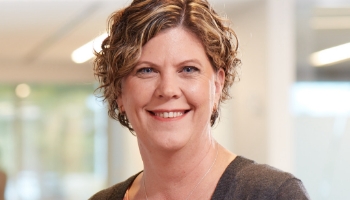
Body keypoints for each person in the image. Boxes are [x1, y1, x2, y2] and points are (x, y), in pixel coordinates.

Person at [90, 0, 310, 199]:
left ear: (217, 85)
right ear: (119, 92)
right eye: (147, 70)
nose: (168, 90)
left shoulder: (273, 194)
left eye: (188, 69)